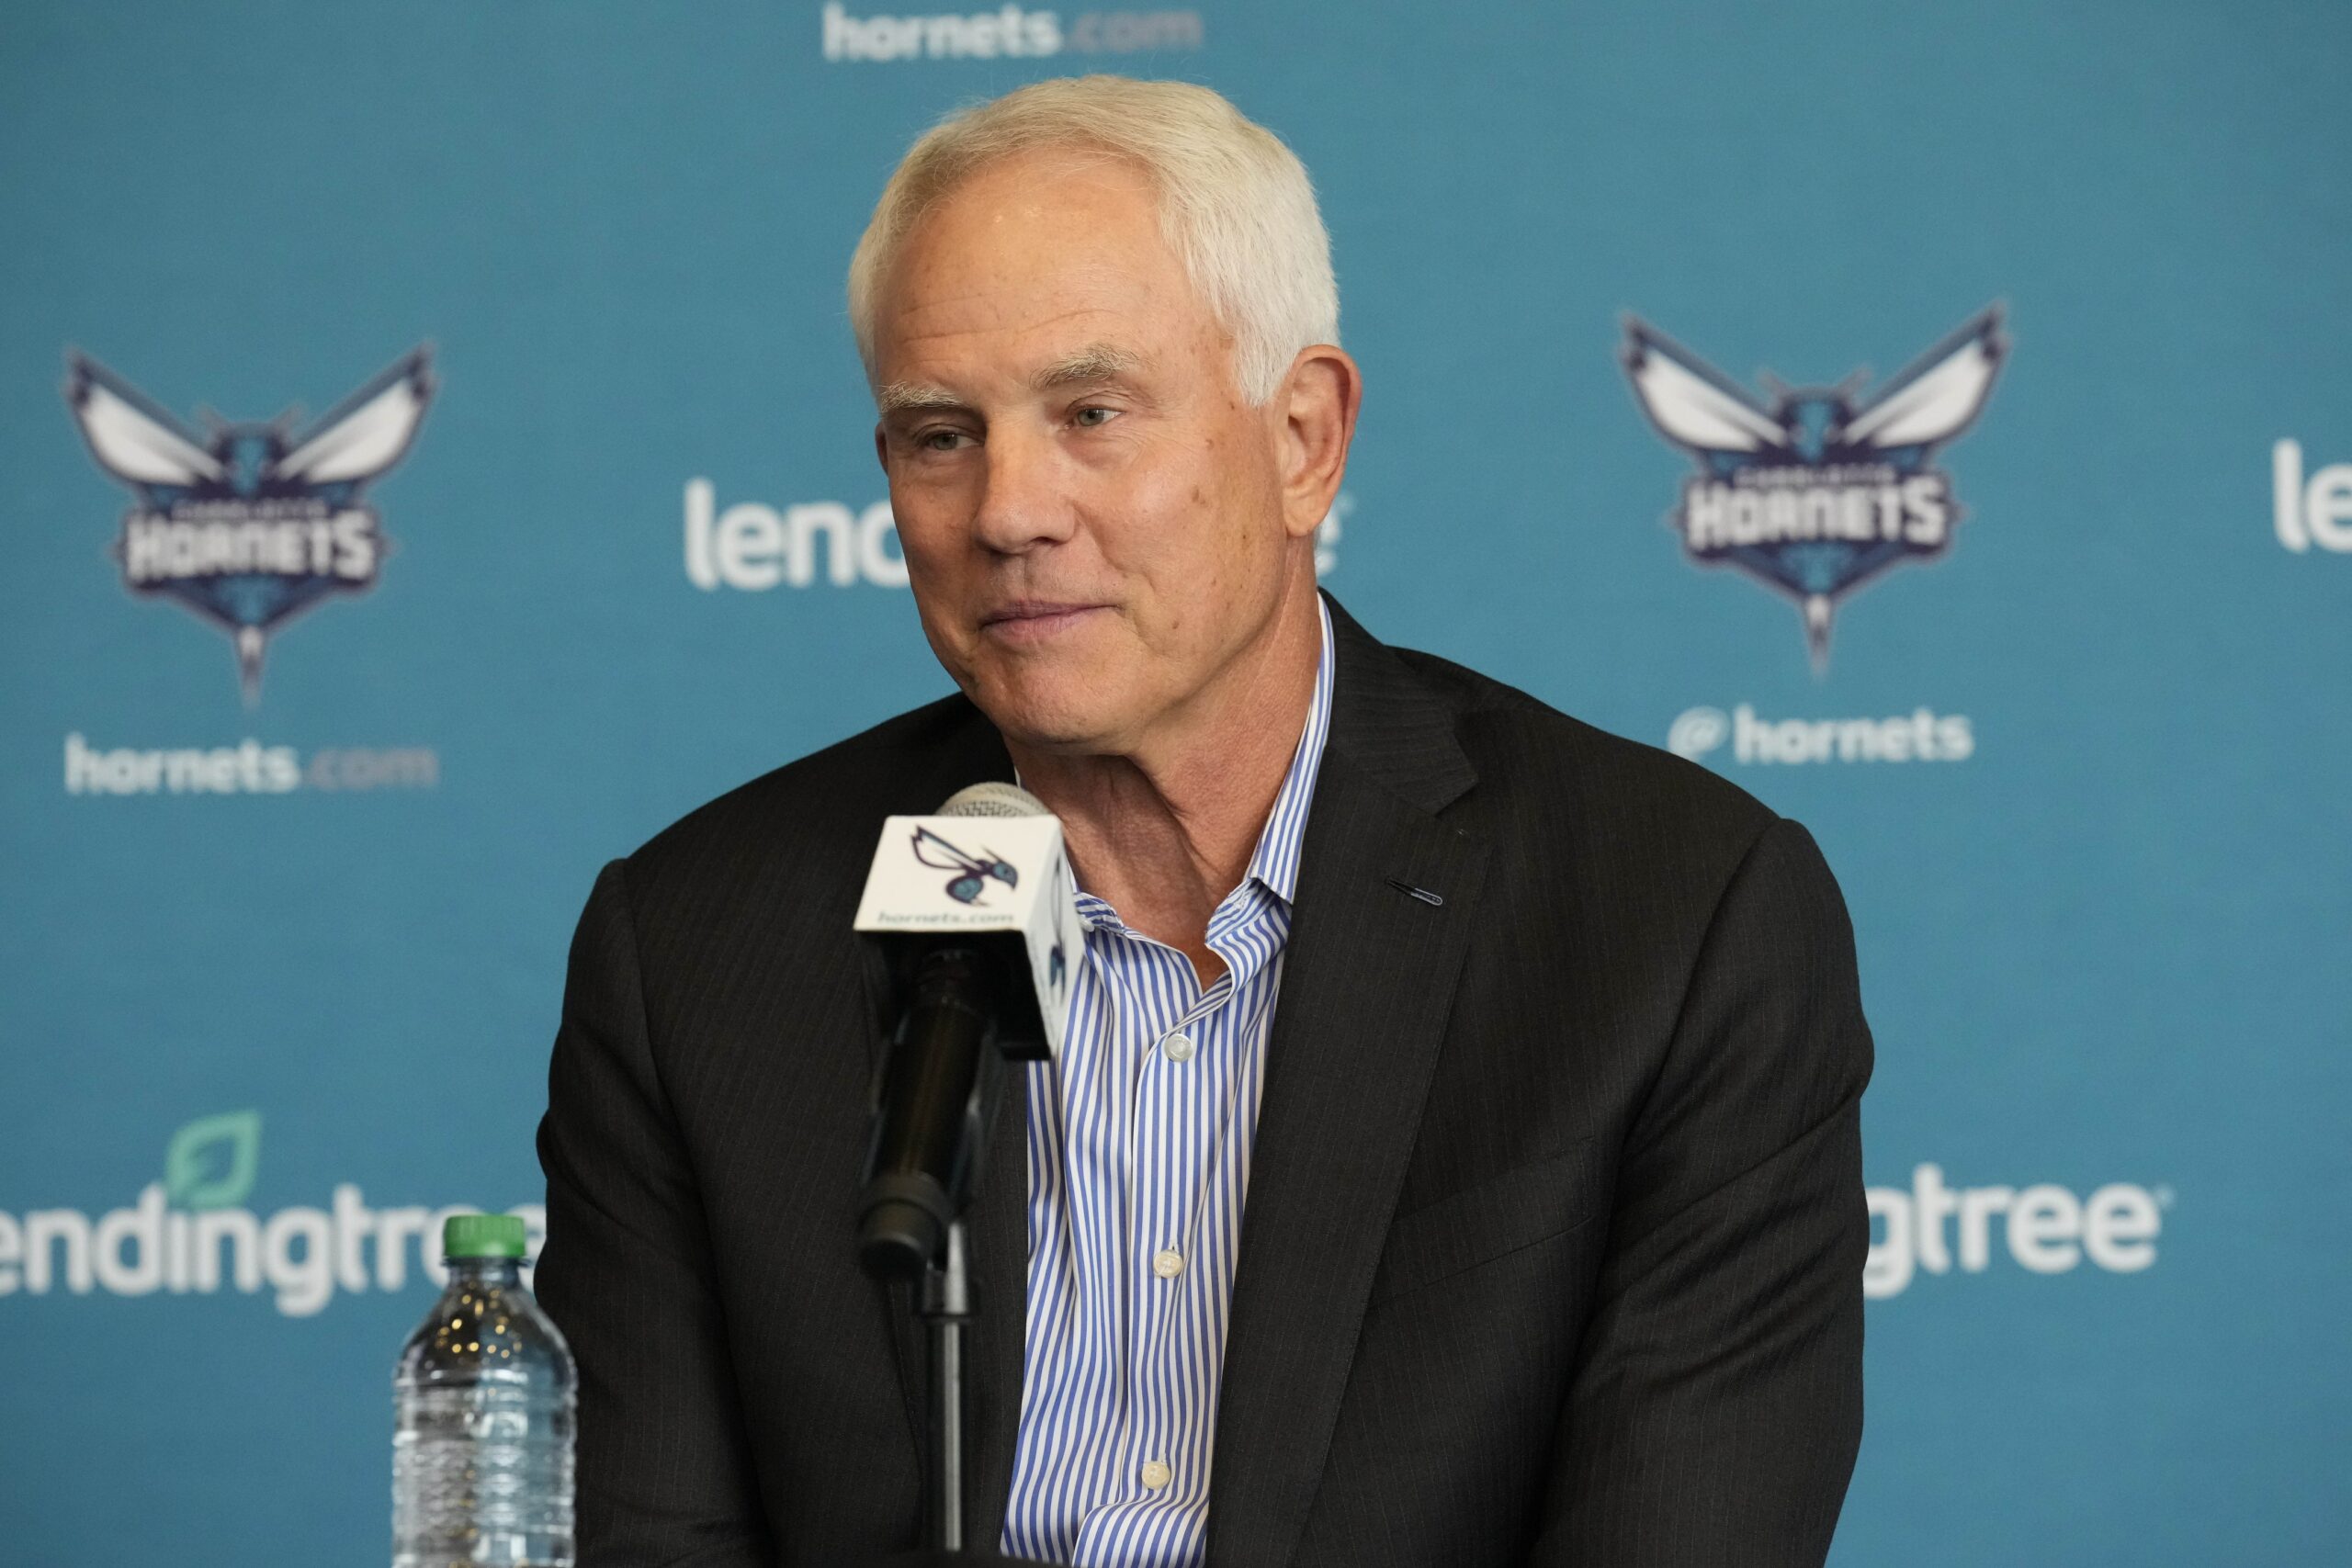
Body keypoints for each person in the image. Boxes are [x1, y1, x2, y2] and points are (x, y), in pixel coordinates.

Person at [536, 75, 1871, 1568]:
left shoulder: (1675, 918)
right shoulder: (698, 947)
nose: (1007, 511)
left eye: (1091, 412)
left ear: (1303, 438)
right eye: (938, 436)